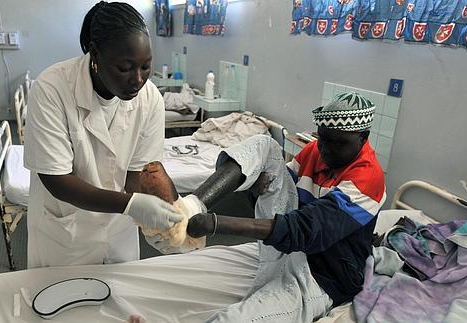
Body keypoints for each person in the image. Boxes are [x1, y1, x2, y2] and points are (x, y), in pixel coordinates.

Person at [149, 92, 386, 321]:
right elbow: (280, 189)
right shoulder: (315, 150)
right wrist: (257, 187)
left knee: (234, 319)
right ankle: (191, 206)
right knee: (265, 146)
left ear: (363, 138)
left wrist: (216, 224)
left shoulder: (368, 178)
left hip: (323, 274)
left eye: (338, 143)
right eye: (322, 139)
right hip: (289, 247)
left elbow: (306, 229)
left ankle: (198, 215)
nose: (325, 150)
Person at [23, 1, 182, 268]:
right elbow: (57, 180)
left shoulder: (150, 97)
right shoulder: (52, 88)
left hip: (119, 232)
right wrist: (132, 205)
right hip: (66, 233)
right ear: (95, 56)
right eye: (125, 68)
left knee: (122, 303)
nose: (138, 80)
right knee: (59, 302)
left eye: (146, 67)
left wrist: (164, 214)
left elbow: (138, 173)